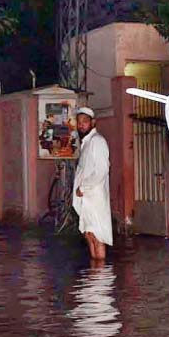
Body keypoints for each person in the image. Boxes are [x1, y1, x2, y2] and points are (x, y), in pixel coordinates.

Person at [72, 107, 112, 261]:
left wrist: (83, 187)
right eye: (79, 122)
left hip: (94, 197)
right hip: (86, 198)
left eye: (85, 121)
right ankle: (94, 278)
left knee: (97, 236)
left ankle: (100, 279)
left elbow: (101, 170)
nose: (81, 125)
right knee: (89, 235)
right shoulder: (86, 143)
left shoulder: (98, 141)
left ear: (93, 123)